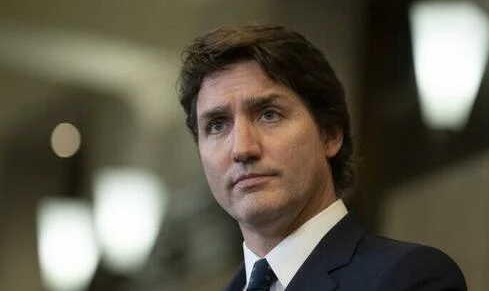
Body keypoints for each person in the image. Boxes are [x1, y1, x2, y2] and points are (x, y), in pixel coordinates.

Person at [177, 23, 467, 291]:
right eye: (217, 125)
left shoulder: (410, 278)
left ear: (329, 134)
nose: (241, 148)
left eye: (269, 114)